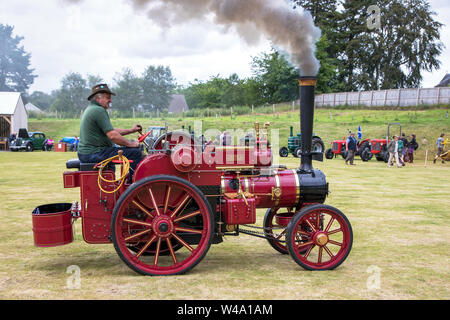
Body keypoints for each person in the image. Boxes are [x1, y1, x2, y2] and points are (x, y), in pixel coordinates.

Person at [77, 84, 143, 181]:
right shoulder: (98, 110)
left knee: (124, 150)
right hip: (93, 153)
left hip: (88, 153)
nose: (110, 100)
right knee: (136, 153)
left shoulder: (92, 109)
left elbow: (112, 130)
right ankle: (134, 185)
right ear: (98, 98)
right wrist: (130, 144)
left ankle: (127, 183)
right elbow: (112, 136)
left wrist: (131, 130)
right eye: (108, 98)